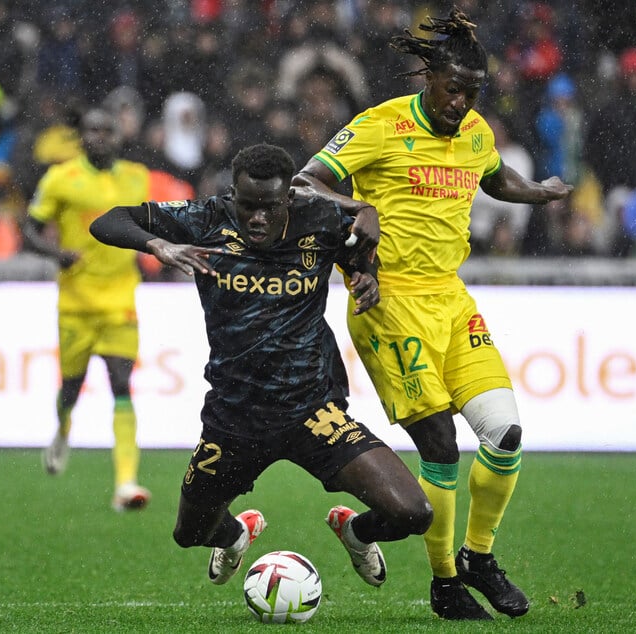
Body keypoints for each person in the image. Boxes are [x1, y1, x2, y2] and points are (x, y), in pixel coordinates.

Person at [293, 9, 573, 621]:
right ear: (430, 80)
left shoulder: (474, 131)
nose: (462, 103)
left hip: (450, 297)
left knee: (505, 434)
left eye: (473, 93)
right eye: (453, 90)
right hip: (387, 301)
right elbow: (303, 183)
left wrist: (537, 192)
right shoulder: (380, 125)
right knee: (441, 444)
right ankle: (445, 585)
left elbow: (495, 179)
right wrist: (356, 205)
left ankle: (478, 558)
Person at [89, 143, 432, 592]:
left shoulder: (322, 220)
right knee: (189, 534)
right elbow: (107, 220)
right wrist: (158, 245)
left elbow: (358, 253)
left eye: (268, 208)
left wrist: (365, 275)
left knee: (414, 513)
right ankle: (235, 535)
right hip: (234, 419)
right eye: (246, 205)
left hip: (312, 411)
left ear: (289, 197)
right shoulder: (207, 218)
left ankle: (356, 532)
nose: (256, 219)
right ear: (232, 194)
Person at [21, 107, 152, 512]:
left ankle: (126, 483)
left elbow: (147, 225)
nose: (98, 135)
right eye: (91, 129)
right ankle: (62, 430)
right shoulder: (61, 178)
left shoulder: (136, 177)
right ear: (82, 137)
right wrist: (55, 253)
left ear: (118, 135)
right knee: (72, 388)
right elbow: (28, 228)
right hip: (76, 304)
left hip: (120, 300)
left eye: (105, 129)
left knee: (121, 384)